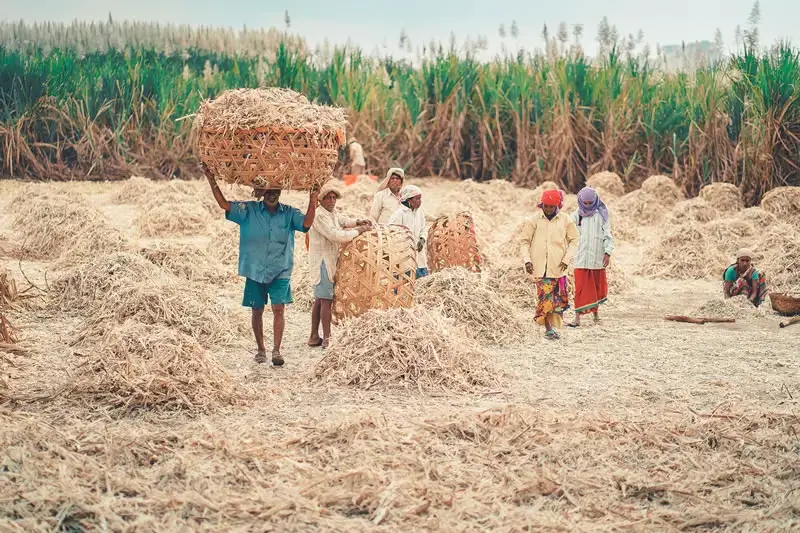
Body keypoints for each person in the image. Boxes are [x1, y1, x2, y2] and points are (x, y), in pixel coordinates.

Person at [204, 164, 317, 366]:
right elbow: (224, 204)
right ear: (262, 192)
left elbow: (307, 224)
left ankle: (276, 350)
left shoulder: (289, 213)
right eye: (268, 191)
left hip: (280, 268)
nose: (272, 195)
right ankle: (261, 349)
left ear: (280, 192)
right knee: (257, 310)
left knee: (278, 309)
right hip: (254, 269)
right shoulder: (249, 210)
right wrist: (211, 179)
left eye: (275, 191)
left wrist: (313, 197)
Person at [307, 181, 372, 348]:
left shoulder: (332, 213)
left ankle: (314, 336)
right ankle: (327, 338)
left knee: (320, 300)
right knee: (326, 300)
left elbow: (343, 221)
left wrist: (358, 221)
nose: (332, 200)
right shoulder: (319, 215)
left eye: (334, 197)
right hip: (322, 262)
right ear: (321, 200)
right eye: (328, 198)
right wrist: (359, 230)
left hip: (328, 260)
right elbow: (335, 235)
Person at [519, 189, 579, 340]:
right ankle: (548, 328)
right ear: (542, 205)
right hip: (539, 267)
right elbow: (524, 242)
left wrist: (566, 259)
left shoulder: (566, 220)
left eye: (551, 207)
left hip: (558, 267)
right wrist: (527, 260)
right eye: (546, 206)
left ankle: (550, 324)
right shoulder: (533, 220)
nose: (548, 209)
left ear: (558, 206)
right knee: (544, 297)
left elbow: (574, 241)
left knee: (557, 299)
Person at [568, 186, 615, 327]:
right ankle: (577, 319)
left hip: (597, 258)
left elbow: (608, 235)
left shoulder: (602, 216)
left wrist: (608, 252)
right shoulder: (575, 216)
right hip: (581, 258)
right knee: (580, 288)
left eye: (590, 203)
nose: (588, 206)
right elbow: (569, 235)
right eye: (585, 203)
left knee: (596, 287)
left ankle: (596, 315)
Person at [388, 184, 429, 278]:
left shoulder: (420, 212)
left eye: (420, 198)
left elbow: (423, 228)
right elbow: (392, 234)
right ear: (409, 200)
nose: (420, 202)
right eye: (417, 199)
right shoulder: (399, 214)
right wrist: (406, 246)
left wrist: (422, 239)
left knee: (422, 282)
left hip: (419, 254)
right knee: (404, 281)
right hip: (403, 256)